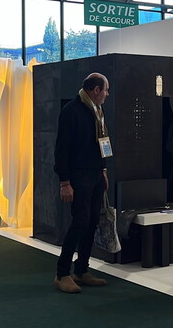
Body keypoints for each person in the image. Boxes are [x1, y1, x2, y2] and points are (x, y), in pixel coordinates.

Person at [54, 73, 111, 294]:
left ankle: (81, 270)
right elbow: (61, 149)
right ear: (96, 90)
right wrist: (65, 182)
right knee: (80, 222)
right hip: (78, 176)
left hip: (96, 175)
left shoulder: (97, 111)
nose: (107, 94)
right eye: (105, 90)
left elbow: (101, 143)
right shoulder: (72, 111)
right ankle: (62, 273)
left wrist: (103, 170)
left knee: (92, 221)